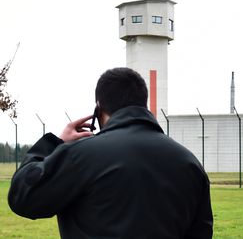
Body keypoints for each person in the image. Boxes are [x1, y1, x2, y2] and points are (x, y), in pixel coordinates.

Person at [8, 67, 213, 239]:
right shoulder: (189, 163)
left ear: (98, 108)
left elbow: (23, 198)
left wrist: (56, 143)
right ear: (144, 104)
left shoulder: (81, 155)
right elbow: (202, 231)